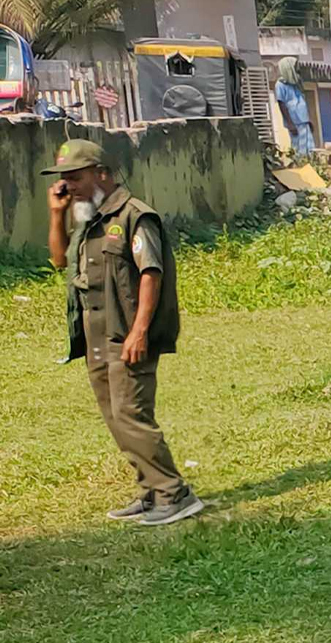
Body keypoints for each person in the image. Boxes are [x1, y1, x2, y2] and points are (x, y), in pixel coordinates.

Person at [43, 140, 203, 526]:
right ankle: (150, 490)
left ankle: (174, 493)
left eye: (75, 177)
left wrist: (139, 331)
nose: (68, 185)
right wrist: (56, 215)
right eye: (63, 179)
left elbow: (151, 273)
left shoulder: (134, 216)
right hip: (96, 333)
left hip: (126, 333)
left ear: (102, 173)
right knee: (114, 416)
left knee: (132, 414)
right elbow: (58, 259)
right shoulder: (88, 219)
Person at [274, 58, 315, 156]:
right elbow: (282, 104)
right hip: (294, 122)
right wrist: (290, 123)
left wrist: (309, 120)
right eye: (295, 67)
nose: (297, 69)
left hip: (304, 120)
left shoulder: (296, 82)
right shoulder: (280, 85)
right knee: (299, 150)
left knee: (310, 149)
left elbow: (302, 102)